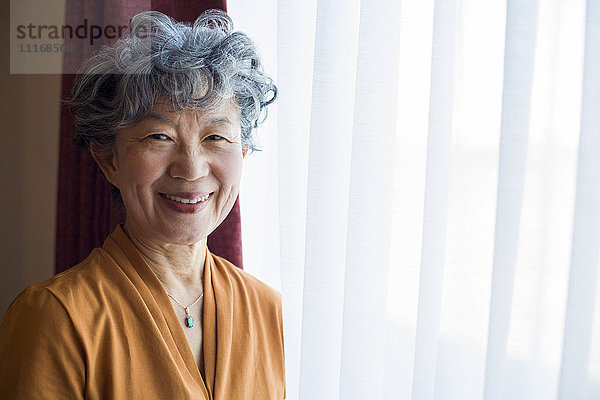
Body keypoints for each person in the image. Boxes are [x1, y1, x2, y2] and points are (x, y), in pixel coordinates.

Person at [0, 9, 284, 399]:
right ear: (109, 160)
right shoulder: (55, 316)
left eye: (215, 136)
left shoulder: (269, 310)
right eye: (159, 136)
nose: (191, 169)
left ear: (245, 151)